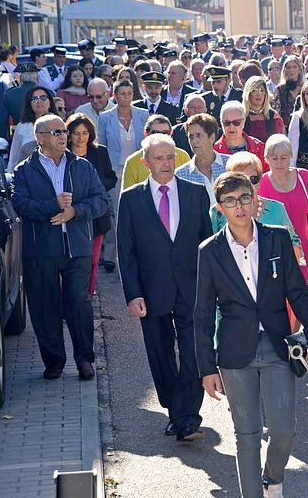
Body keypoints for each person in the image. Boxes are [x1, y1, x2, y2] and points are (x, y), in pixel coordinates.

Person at [195, 172, 308, 498]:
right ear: (220, 208)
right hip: (235, 353)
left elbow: (297, 291)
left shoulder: (277, 238)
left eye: (244, 198)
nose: (239, 207)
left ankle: (273, 477)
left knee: (283, 430)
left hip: (279, 347)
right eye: (230, 201)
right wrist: (206, 368)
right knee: (247, 434)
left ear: (255, 201)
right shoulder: (210, 251)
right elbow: (203, 312)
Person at [118, 133, 212, 442]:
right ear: (145, 162)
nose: (166, 163)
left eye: (170, 157)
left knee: (193, 353)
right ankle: (174, 406)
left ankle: (187, 417)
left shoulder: (196, 193)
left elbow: (207, 244)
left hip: (191, 287)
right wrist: (133, 293)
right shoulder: (131, 199)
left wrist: (212, 286)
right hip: (151, 289)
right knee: (160, 354)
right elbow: (126, 251)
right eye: (159, 158)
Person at [12, 114, 108, 381]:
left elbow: (101, 201)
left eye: (64, 131)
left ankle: (84, 360)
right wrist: (52, 207)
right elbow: (21, 205)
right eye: (56, 132)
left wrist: (75, 211)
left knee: (79, 302)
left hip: (77, 247)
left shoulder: (83, 166)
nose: (63, 136)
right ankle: (54, 361)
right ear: (39, 137)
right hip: (40, 249)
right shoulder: (24, 170)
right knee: (45, 306)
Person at [209, 152, 303, 267]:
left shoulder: (277, 209)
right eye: (241, 180)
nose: (248, 185)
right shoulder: (218, 212)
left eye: (253, 179)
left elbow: (294, 245)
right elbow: (211, 253)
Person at [97, 79, 149, 272]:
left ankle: (140, 252)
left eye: (129, 93)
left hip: (139, 168)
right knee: (116, 214)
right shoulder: (105, 117)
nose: (126, 97)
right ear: (115, 95)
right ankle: (111, 255)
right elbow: (101, 146)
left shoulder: (143, 114)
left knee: (140, 211)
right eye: (122, 93)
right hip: (115, 171)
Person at [260, 135, 308, 285]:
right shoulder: (261, 183)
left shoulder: (305, 177)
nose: (279, 163)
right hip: (273, 251)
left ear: (291, 157)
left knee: (300, 298)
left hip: (303, 249)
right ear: (266, 159)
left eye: (284, 157)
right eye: (274, 158)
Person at [67, 113, 116, 298]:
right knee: (73, 261)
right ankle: (71, 298)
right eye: (76, 133)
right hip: (72, 216)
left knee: (93, 260)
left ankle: (88, 294)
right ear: (69, 134)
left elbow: (111, 177)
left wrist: (96, 186)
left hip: (96, 215)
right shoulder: (63, 154)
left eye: (85, 133)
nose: (81, 138)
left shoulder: (99, 152)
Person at [122, 115, 192, 190]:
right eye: (155, 133)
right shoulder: (132, 161)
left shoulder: (183, 156)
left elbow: (189, 189)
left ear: (171, 133)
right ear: (146, 133)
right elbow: (128, 196)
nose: (160, 137)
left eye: (165, 133)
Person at [175, 113, 229, 204]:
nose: (194, 141)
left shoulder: (230, 164)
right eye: (191, 136)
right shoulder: (180, 175)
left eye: (198, 135)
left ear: (212, 137)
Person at [8, 86, 59, 173]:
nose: (39, 101)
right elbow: (14, 157)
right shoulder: (22, 127)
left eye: (43, 98)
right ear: (30, 104)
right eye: (34, 99)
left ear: (50, 102)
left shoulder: (59, 124)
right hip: (28, 176)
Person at [214, 101, 268, 167]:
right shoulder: (214, 151)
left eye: (236, 122)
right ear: (221, 123)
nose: (231, 127)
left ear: (244, 122)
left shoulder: (259, 147)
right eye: (227, 122)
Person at [241, 75, 284, 143]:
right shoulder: (240, 116)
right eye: (254, 91)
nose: (259, 94)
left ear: (266, 94)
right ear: (248, 93)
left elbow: (280, 143)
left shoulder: (274, 116)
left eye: (262, 90)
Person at [273, 55, 304, 125]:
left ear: (299, 70)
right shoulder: (280, 89)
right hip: (284, 127)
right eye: (288, 67)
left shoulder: (305, 88)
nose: (291, 70)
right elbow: (276, 112)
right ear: (285, 70)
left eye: (294, 67)